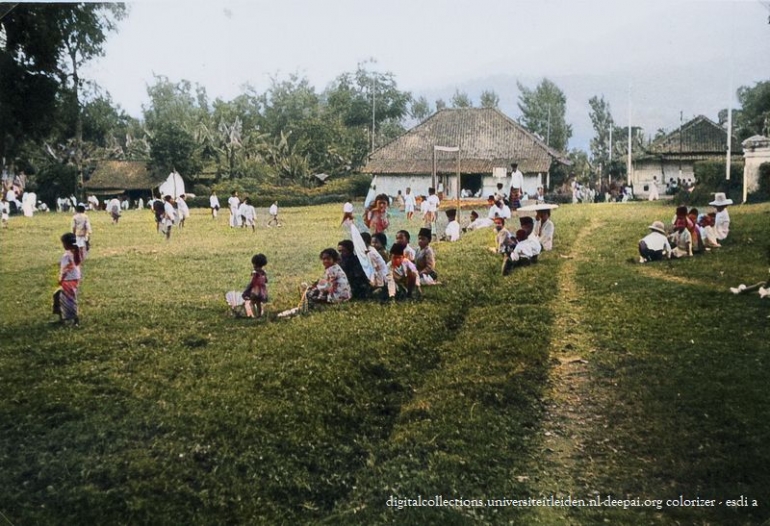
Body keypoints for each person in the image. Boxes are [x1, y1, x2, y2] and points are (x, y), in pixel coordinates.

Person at [55, 233, 82, 327]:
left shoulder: (67, 255)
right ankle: (63, 318)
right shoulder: (75, 253)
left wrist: (60, 279)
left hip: (68, 279)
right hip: (74, 278)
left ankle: (74, 320)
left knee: (69, 300)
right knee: (59, 296)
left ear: (67, 244)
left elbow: (66, 268)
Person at [242, 253, 268, 318]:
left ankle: (253, 315)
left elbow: (252, 282)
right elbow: (266, 281)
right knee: (259, 303)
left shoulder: (255, 273)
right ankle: (259, 315)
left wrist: (247, 290)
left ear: (255, 264)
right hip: (262, 292)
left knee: (252, 303)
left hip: (255, 291)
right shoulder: (263, 272)